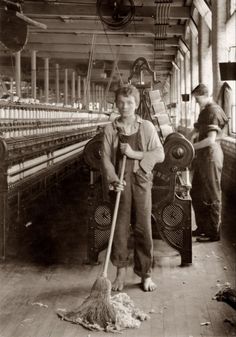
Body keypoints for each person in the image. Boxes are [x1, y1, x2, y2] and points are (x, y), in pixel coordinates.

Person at [101, 84, 164, 292]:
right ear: (116, 104)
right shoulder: (110, 129)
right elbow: (106, 159)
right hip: (120, 184)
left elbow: (159, 154)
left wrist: (135, 154)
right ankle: (120, 274)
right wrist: (112, 179)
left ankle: (145, 274)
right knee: (119, 229)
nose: (125, 106)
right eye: (121, 102)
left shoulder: (146, 127)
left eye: (129, 102)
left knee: (143, 227)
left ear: (136, 104)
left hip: (141, 181)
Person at [189, 84, 228, 242]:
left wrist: (190, 147)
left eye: (197, 99)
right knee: (196, 192)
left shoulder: (213, 111)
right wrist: (185, 138)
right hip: (202, 157)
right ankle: (202, 228)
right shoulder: (205, 111)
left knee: (212, 194)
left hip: (211, 156)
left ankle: (213, 232)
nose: (197, 102)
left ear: (204, 95)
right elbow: (196, 131)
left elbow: (210, 140)